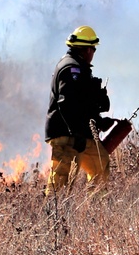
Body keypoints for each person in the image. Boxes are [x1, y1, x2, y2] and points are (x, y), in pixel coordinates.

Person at [44, 25, 116, 194]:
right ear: (86, 49)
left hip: (81, 134)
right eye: (93, 49)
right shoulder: (71, 69)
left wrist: (99, 121)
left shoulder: (80, 68)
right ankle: (52, 216)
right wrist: (75, 132)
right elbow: (66, 103)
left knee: (100, 162)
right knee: (60, 179)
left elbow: (83, 105)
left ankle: (95, 210)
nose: (93, 53)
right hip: (66, 134)